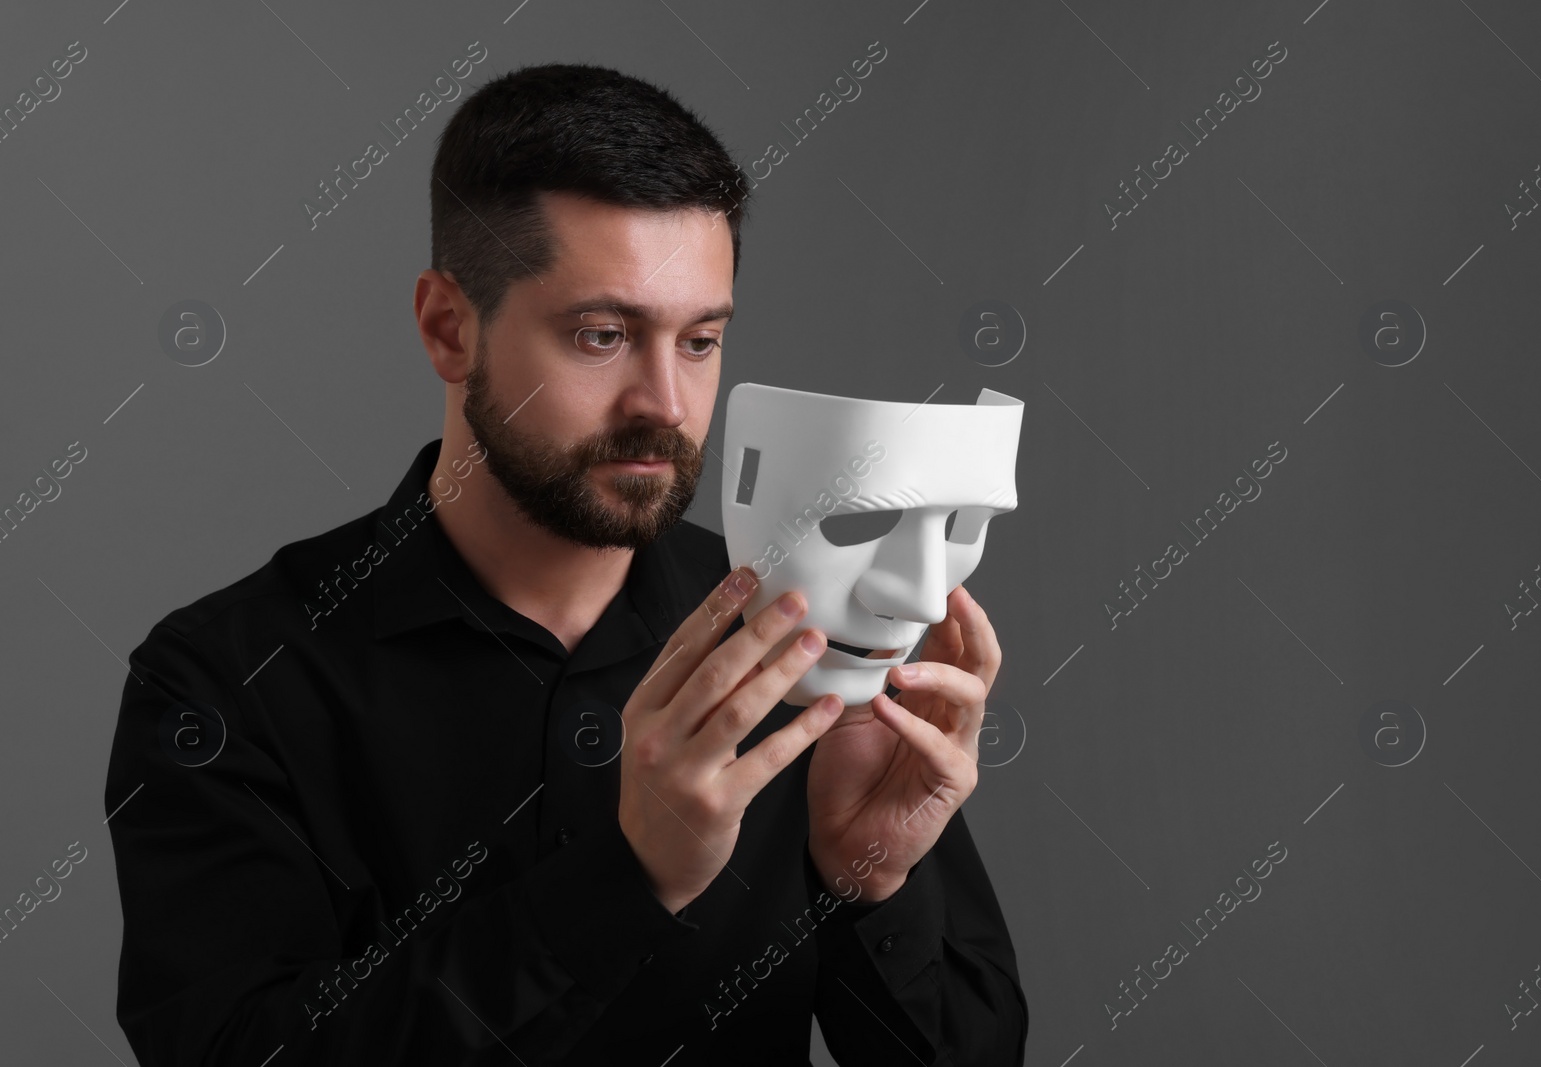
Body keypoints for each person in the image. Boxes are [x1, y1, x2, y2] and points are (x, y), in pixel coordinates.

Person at [104, 62, 1028, 1065]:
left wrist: (867, 881)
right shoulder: (225, 680)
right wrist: (624, 881)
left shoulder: (810, 630)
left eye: (701, 338)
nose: (665, 403)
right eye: (602, 334)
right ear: (448, 327)